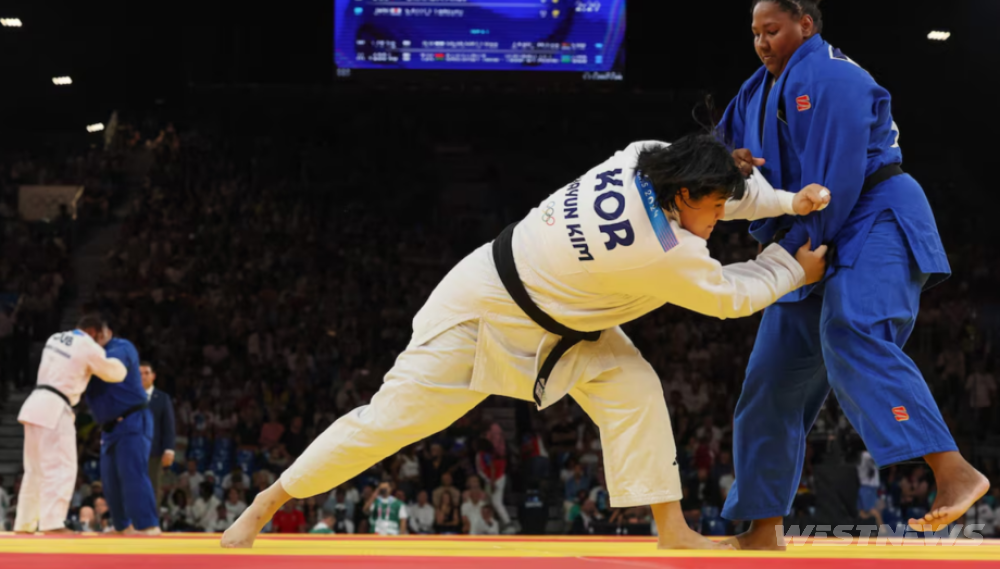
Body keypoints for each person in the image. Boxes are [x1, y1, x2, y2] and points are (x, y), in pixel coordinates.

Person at [222, 133, 830, 551]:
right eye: (715, 207)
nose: (721, 214)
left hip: (563, 319)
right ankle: (267, 502)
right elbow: (727, 297)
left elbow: (723, 184)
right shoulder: (664, 250)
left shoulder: (647, 155)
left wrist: (783, 200)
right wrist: (790, 267)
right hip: (481, 310)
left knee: (634, 385)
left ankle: (671, 528)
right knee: (390, 421)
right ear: (683, 197)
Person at [718, 0, 989, 549]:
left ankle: (953, 470)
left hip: (871, 215)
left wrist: (792, 259)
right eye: (757, 33)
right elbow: (720, 152)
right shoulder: (753, 91)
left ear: (806, 26)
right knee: (769, 379)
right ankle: (761, 526)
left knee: (851, 327)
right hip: (809, 235)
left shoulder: (835, 77)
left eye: (774, 30)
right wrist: (729, 162)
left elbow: (833, 180)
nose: (763, 42)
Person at [14, 314, 127, 534]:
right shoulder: (86, 344)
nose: (101, 343)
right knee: (61, 467)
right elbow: (114, 373)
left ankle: (24, 524)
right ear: (94, 332)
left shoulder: (55, 338)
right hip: (55, 408)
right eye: (102, 338)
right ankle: (52, 524)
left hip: (35, 403)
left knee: (34, 469)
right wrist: (120, 359)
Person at [83, 323, 161, 535]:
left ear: (104, 332)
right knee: (109, 480)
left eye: (94, 335)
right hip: (108, 427)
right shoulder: (87, 356)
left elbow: (112, 368)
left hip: (132, 419)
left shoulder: (120, 347)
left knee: (132, 473)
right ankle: (122, 526)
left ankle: (148, 525)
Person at [141, 361, 176, 507]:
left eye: (146, 373)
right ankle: (131, 524)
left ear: (153, 376)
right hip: (132, 450)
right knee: (131, 486)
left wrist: (169, 449)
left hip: (154, 451)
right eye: (139, 374)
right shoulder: (130, 397)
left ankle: (151, 523)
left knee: (153, 487)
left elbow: (168, 425)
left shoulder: (162, 398)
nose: (143, 376)